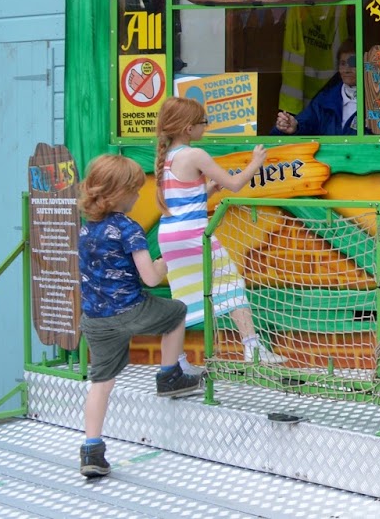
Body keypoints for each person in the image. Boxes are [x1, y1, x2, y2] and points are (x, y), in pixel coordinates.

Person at [77, 154, 201, 479]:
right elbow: (149, 278)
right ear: (118, 193)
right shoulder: (128, 228)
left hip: (95, 318)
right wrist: (162, 264)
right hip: (131, 310)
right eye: (134, 190)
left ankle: (92, 448)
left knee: (100, 382)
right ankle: (169, 375)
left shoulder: (86, 230)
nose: (137, 196)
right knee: (176, 312)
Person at [153, 97, 285, 365]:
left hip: (169, 237)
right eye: (204, 122)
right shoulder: (196, 155)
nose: (207, 127)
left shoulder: (166, 157)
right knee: (232, 284)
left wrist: (207, 191)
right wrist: (256, 162)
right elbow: (235, 184)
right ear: (189, 128)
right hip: (194, 235)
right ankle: (252, 348)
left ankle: (176, 361)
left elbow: (182, 196)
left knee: (182, 296)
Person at [273, 42, 357, 136]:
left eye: (352, 63)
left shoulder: (374, 100)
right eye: (342, 64)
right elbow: (306, 123)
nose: (346, 69)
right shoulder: (325, 100)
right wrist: (294, 126)